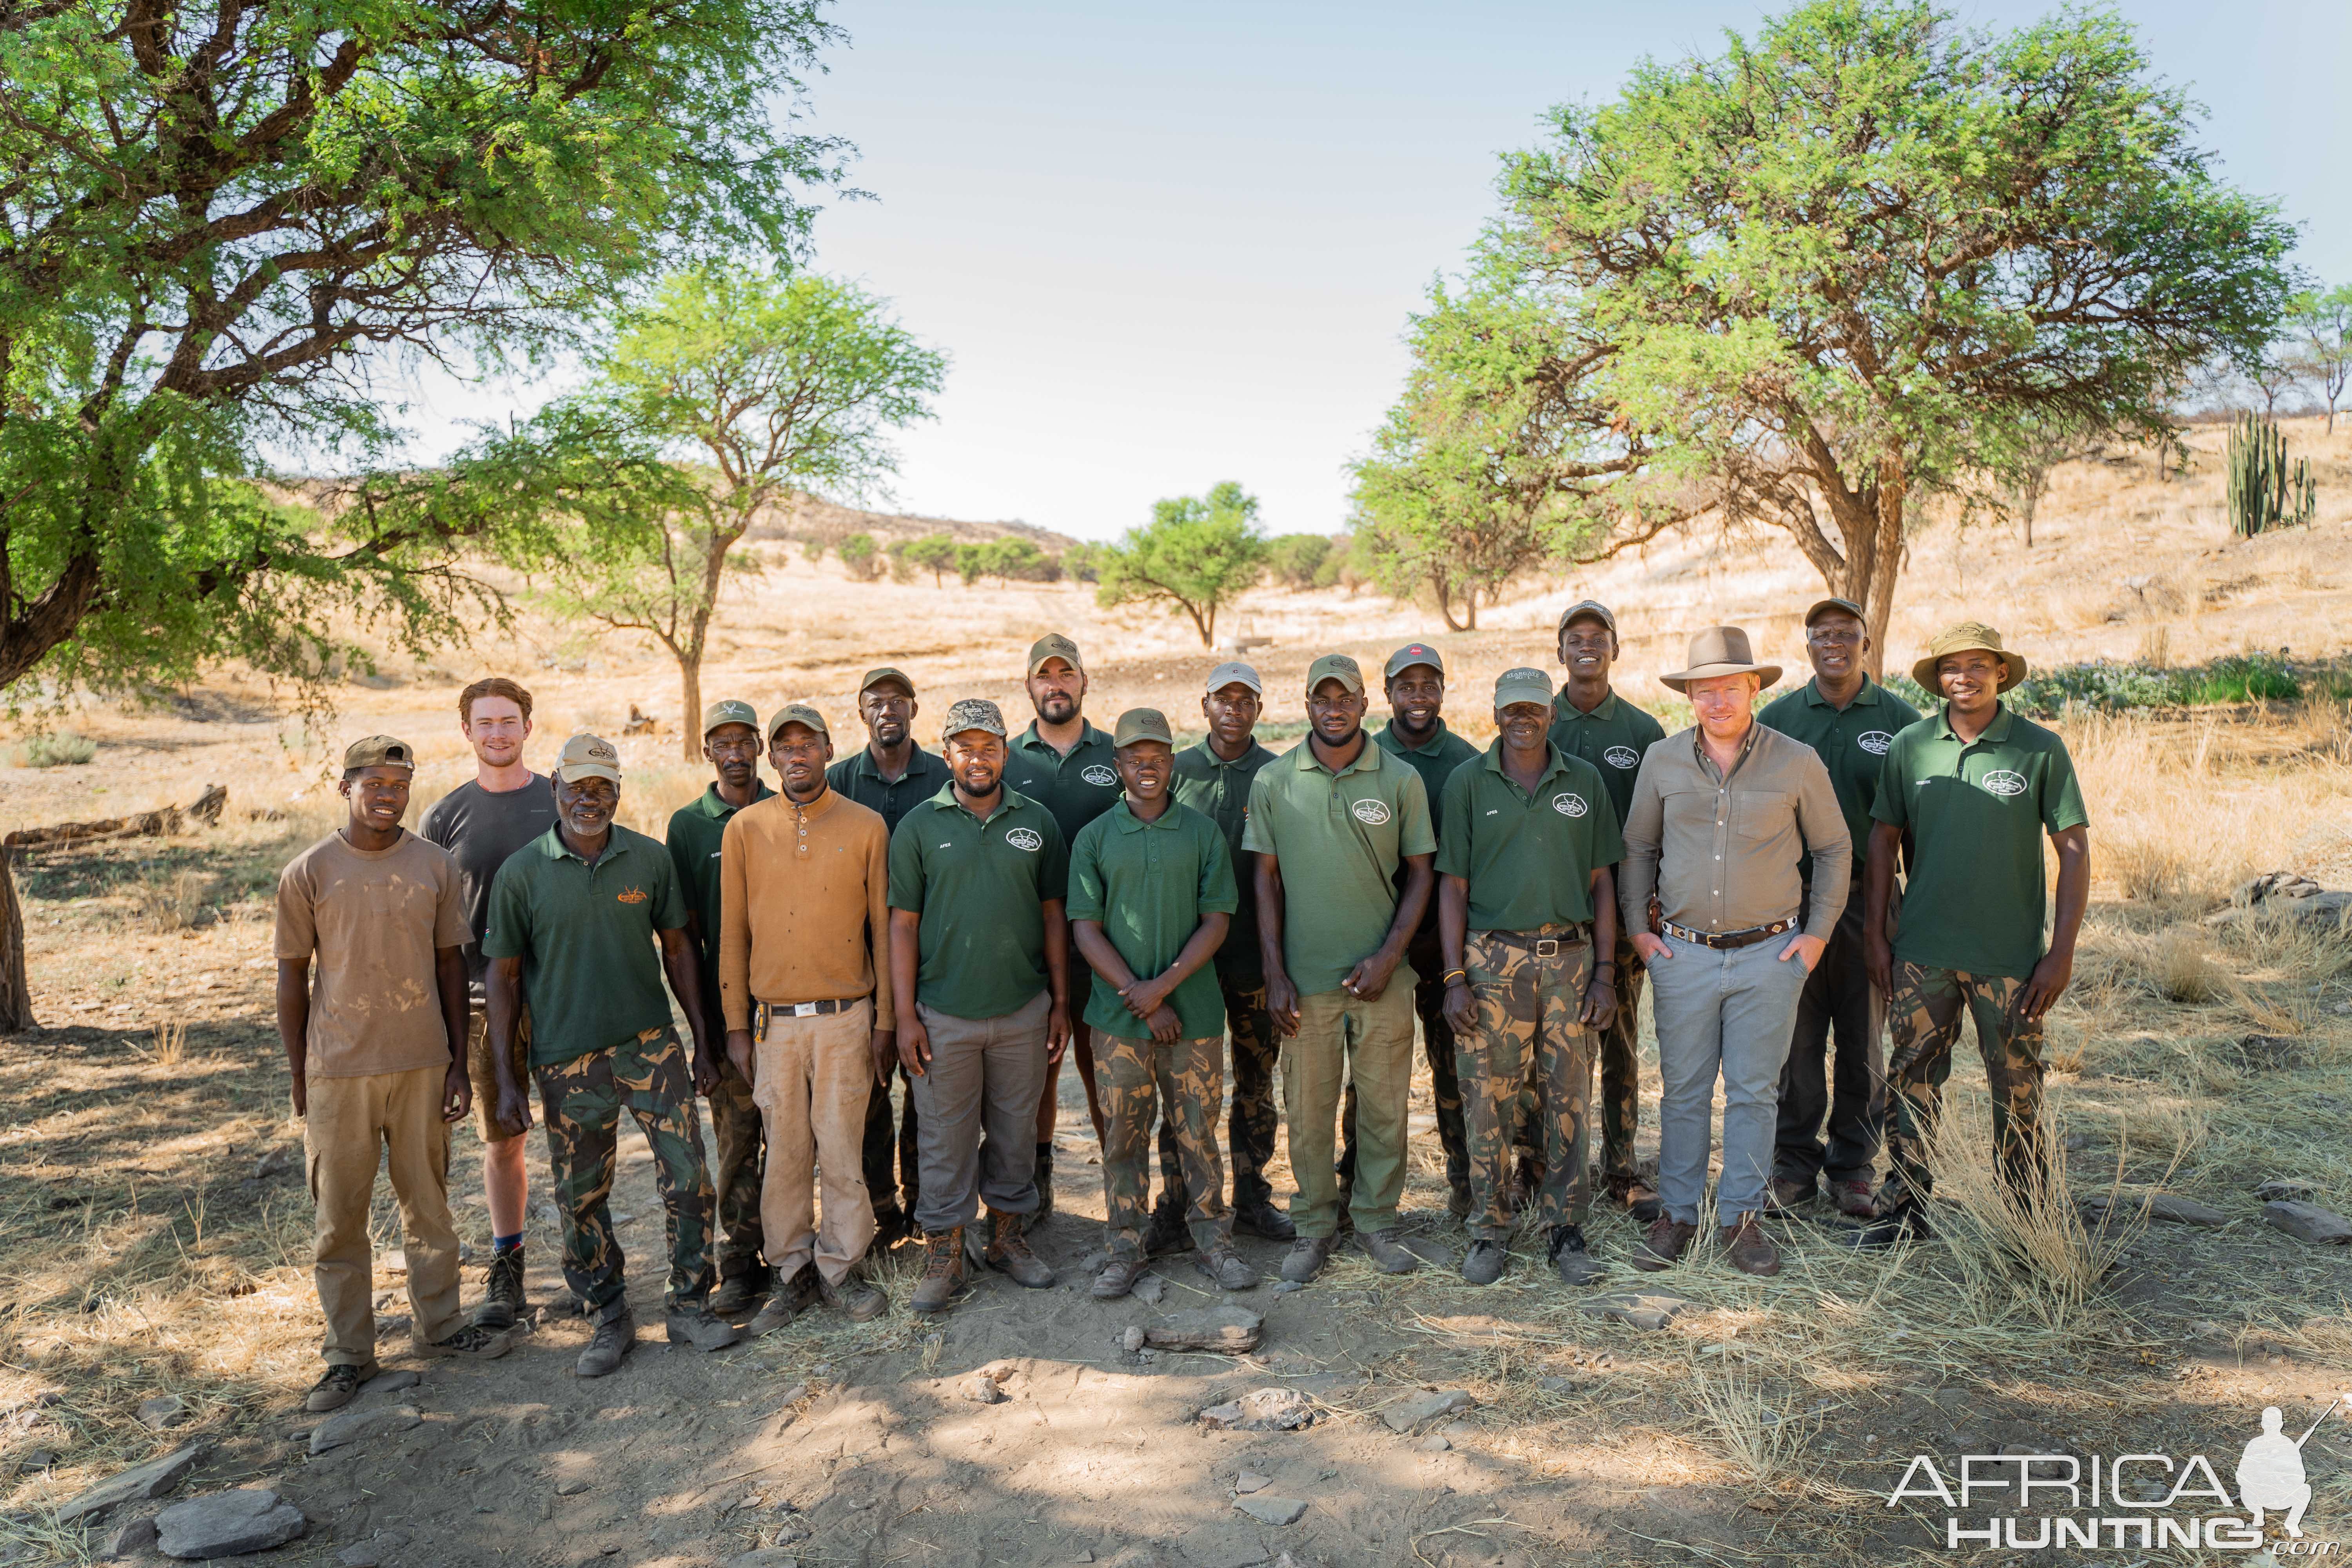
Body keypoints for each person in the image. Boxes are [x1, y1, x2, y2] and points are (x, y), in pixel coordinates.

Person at [483, 734, 739, 1376]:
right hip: (567, 1061)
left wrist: (703, 1042)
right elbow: (503, 980)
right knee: (581, 1195)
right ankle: (608, 1313)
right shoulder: (522, 873)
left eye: (602, 788)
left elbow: (680, 951)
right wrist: (507, 1081)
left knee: (689, 1181)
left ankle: (689, 1304)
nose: (588, 800)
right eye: (577, 786)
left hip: (651, 1047)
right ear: (555, 790)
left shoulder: (648, 860)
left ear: (619, 793)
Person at [276, 735, 512, 1413]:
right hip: (339, 1069)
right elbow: (293, 978)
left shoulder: (435, 866)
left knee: (429, 1206)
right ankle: (349, 1356)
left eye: (400, 784)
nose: (388, 795)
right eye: (374, 783)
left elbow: (450, 967)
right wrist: (301, 1073)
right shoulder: (310, 871)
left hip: (420, 1065)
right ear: (344, 787)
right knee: (339, 1219)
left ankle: (440, 1326)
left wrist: (455, 1065)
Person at [1619, 627, 1849, 1278]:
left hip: (1769, 955)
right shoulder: (1662, 761)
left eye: (1729, 687)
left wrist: (1815, 937)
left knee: (1754, 1091)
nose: (1717, 701)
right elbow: (1638, 848)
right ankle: (1679, 1215)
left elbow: (1834, 849)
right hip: (1683, 956)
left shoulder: (1796, 760)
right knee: (1685, 1091)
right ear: (1689, 695)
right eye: (1703, 689)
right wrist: (1642, 933)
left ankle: (1743, 1218)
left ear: (1754, 688)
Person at [1854, 623, 2089, 1247]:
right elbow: (1881, 842)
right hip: (1921, 954)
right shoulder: (1911, 746)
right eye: (1953, 667)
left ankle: (2025, 1218)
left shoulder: (2039, 749)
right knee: (1911, 1078)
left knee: (2016, 1086)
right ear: (1940, 678)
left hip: (2008, 960)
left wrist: (2059, 954)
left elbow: (2073, 850)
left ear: (2002, 673)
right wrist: (1879, 937)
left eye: (1979, 665)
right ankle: (1904, 1210)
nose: (1966, 677)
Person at [1244, 653, 1437, 1283]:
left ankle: (1378, 1221)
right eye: (1322, 699)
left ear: (1364, 704)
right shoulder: (1274, 781)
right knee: (1308, 1110)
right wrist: (1275, 971)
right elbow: (1265, 880)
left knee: (1384, 1108)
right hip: (1306, 983)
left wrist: (1390, 956)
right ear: (1306, 706)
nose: (1334, 709)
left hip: (1382, 980)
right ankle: (1314, 1227)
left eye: (1345, 698)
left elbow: (1421, 874)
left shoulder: (1399, 778)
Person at [1436, 671, 1623, 1287]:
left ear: (1551, 714)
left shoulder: (1585, 782)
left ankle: (1566, 1228)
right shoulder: (1469, 782)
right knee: (1487, 1097)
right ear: (1494, 714)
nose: (1523, 718)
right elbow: (1453, 887)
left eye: (1535, 709)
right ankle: (1490, 1229)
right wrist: (1455, 977)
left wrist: (1604, 974)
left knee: (1568, 1096)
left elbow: (1602, 883)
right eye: (1512, 708)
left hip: (1569, 961)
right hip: (1494, 960)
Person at [889, 698, 1073, 1313]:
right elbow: (903, 927)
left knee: (1017, 1130)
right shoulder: (919, 826)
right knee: (945, 1135)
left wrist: (1060, 1001)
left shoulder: (1038, 822)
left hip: (1023, 1008)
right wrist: (907, 1015)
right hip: (943, 1015)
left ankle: (1008, 1240)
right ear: (946, 755)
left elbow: (1054, 916)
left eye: (988, 746)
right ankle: (944, 1251)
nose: (977, 758)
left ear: (1005, 752)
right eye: (964, 747)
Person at [1067, 708, 1256, 1297]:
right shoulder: (1095, 837)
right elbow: (1085, 929)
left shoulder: (1200, 833)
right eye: (1133, 757)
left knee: (1197, 1132)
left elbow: (1217, 920)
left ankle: (1212, 1243)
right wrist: (1143, 999)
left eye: (1157, 757)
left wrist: (1165, 987)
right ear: (1117, 764)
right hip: (1117, 1020)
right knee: (1124, 1137)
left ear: (1173, 762)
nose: (1146, 767)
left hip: (1195, 1016)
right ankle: (1124, 1246)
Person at [720, 704, 894, 1332]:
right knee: (785, 1152)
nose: (798, 756)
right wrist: (737, 1024)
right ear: (771, 758)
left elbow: (884, 930)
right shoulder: (744, 829)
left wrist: (887, 1024)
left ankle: (842, 1270)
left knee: (843, 1145)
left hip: (846, 1016)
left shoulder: (868, 826)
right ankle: (791, 1274)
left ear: (828, 749)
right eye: (785, 747)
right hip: (775, 1024)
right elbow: (733, 932)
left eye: (809, 745)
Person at [1757, 599, 1920, 1218]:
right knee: (1793, 1042)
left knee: (1862, 1042)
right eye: (1821, 635)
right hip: (1786, 906)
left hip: (1866, 905)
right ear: (1806, 647)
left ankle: (1853, 1166)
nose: (1834, 644)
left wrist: (1906, 915)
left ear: (1866, 642)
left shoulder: (1902, 722)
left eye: (1845, 634)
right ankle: (1793, 1163)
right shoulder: (1777, 719)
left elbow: (1911, 827)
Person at [418, 676, 558, 1331]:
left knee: (580, 1133)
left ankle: (594, 1263)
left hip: (559, 994)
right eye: (486, 723)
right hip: (478, 1004)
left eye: (509, 721)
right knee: (504, 1139)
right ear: (467, 732)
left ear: (529, 728)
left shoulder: (562, 800)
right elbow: (432, 929)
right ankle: (509, 1267)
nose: (498, 733)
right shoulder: (444, 818)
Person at [1341, 642, 1479, 1219]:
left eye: (1429, 685)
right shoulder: (1363, 757)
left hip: (1447, 948)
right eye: (1406, 686)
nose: (1418, 697)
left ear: (1443, 691)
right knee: (1368, 1078)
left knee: (1457, 1071)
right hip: (1380, 949)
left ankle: (1468, 1184)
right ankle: (1355, 1188)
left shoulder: (1468, 762)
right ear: (1388, 693)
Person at [1162, 663, 1295, 1245]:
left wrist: (1280, 964)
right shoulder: (1177, 770)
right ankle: (1176, 1202)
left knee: (1255, 1082)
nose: (1234, 710)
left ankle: (1251, 1198)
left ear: (1259, 711)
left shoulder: (1279, 774)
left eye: (1246, 701)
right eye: (1224, 699)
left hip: (1254, 959)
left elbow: (1285, 871)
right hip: (1188, 962)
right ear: (1204, 705)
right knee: (1184, 1085)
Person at [1548, 601, 1669, 1222]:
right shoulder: (1538, 724)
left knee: (1620, 1043)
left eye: (1599, 638)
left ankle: (1622, 1167)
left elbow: (1659, 827)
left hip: (1621, 920)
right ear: (1560, 652)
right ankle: (1539, 1165)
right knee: (1555, 1050)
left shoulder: (1643, 732)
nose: (1587, 647)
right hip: (1552, 917)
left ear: (1616, 650)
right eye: (1576, 638)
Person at [826, 666, 953, 1247]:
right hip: (858, 967)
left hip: (935, 964)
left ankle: (929, 1208)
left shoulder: (945, 778)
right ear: (860, 713)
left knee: (928, 1093)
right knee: (868, 1094)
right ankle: (882, 1215)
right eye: (876, 702)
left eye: (898, 701)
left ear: (914, 711)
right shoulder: (838, 782)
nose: (888, 711)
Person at [1004, 634, 1123, 1225]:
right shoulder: (1006, 758)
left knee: (1105, 1072)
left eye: (1066, 674)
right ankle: (1039, 1184)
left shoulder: (1118, 753)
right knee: (1036, 1075)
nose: (1056, 684)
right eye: (1044, 676)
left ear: (1084, 681)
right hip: (1030, 953)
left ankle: (1121, 1188)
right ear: (1029, 686)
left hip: (1105, 948)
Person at [664, 700, 775, 1318]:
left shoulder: (785, 811)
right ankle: (740, 1264)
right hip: (726, 1014)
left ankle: (795, 1252)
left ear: (760, 747)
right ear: (707, 751)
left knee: (794, 1139)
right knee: (737, 1144)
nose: (734, 753)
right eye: (721, 743)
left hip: (790, 1007)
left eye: (743, 741)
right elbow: (682, 941)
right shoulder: (688, 826)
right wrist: (705, 1039)